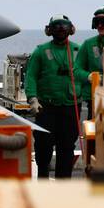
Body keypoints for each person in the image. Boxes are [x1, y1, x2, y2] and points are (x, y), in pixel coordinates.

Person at [23, 15, 84, 178]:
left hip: (70, 108)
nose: (61, 29)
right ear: (49, 30)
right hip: (46, 109)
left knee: (67, 149)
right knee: (43, 148)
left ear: (71, 29)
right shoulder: (41, 52)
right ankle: (43, 181)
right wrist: (33, 99)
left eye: (64, 26)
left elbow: (87, 76)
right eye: (56, 26)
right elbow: (31, 76)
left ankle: (63, 190)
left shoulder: (78, 51)